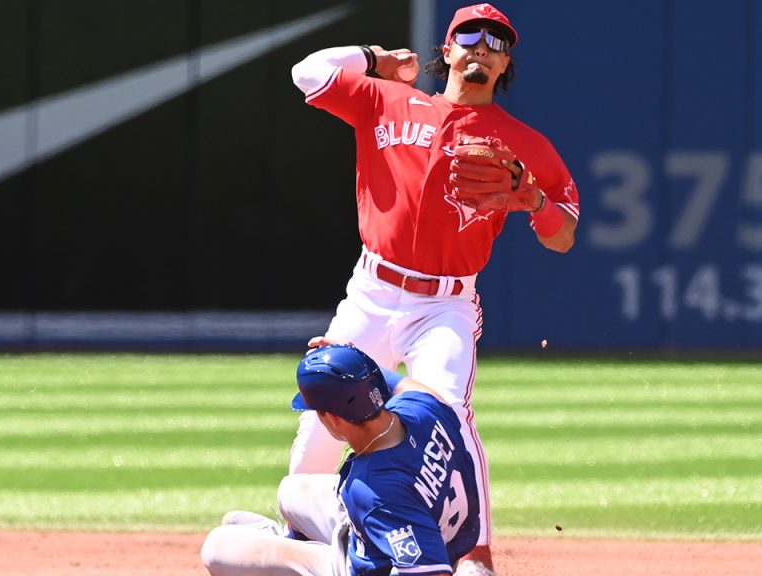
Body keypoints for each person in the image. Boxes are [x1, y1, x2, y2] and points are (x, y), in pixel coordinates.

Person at [289, 4, 580, 573]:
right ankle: (303, 536)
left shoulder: (524, 143)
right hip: (372, 289)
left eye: (497, 43)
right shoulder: (386, 99)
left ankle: (476, 556)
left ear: (504, 66)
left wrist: (536, 201)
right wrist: (376, 58)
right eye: (468, 36)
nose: (482, 47)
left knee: (449, 416)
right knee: (320, 419)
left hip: (445, 303)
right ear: (446, 51)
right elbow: (307, 72)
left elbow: (563, 234)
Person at [201, 343, 482, 576]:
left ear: (333, 419)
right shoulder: (423, 408)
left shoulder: (375, 489)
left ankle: (304, 557)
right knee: (291, 489)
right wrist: (349, 363)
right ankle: (291, 541)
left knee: (216, 546)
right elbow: (398, 383)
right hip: (425, 527)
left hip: (376, 562)